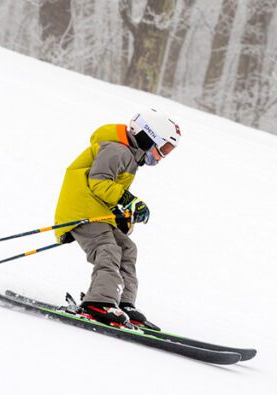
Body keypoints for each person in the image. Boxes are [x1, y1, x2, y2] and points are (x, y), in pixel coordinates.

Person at [53, 109, 181, 329]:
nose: (162, 156)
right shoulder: (117, 150)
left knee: (127, 248)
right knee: (108, 249)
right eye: (164, 148)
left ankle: (123, 302)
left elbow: (108, 190)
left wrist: (120, 214)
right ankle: (99, 302)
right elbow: (98, 182)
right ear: (148, 136)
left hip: (97, 210)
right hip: (82, 210)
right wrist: (128, 199)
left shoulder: (130, 156)